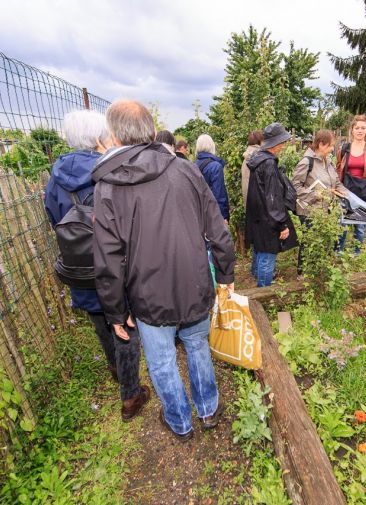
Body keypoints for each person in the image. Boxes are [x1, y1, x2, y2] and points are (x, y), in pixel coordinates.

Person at [92, 100, 235, 441]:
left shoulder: (107, 186)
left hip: (148, 294)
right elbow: (217, 228)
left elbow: (108, 258)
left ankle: (180, 421)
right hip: (194, 283)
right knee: (197, 346)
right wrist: (226, 275)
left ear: (113, 137)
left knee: (161, 361)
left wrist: (115, 310)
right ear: (153, 132)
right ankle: (208, 409)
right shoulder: (185, 169)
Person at [44, 109, 148, 422]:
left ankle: (116, 369)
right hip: (112, 266)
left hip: (78, 267)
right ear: (98, 136)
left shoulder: (55, 179)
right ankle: (131, 395)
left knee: (98, 317)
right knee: (125, 325)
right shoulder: (108, 171)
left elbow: (53, 219)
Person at [245, 122, 298, 287]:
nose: (283, 146)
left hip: (258, 217)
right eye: (282, 142)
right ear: (275, 143)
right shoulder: (268, 164)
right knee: (267, 256)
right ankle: (263, 292)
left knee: (260, 252)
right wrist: (282, 224)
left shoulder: (258, 159)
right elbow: (272, 198)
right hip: (268, 219)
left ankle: (259, 287)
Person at [292, 129, 347, 275]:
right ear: (321, 144)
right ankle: (302, 272)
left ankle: (316, 271)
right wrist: (316, 194)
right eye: (330, 146)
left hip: (324, 210)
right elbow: (295, 187)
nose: (332, 149)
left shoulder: (328, 162)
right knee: (309, 241)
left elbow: (336, 183)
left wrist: (347, 194)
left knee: (321, 241)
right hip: (309, 210)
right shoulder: (306, 162)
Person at [337, 115, 366, 255]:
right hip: (346, 191)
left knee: (360, 226)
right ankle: (339, 252)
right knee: (342, 223)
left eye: (363, 128)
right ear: (352, 130)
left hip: (363, 191)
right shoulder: (344, 148)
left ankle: (356, 253)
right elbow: (338, 171)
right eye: (357, 128)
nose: (360, 131)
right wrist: (336, 191)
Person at [195, 134, 230, 223]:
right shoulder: (215, 166)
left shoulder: (193, 166)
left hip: (198, 214)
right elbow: (219, 193)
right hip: (213, 214)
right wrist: (223, 216)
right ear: (212, 146)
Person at [241, 130, 264, 207]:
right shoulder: (260, 157)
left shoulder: (246, 158)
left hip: (249, 203)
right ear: (260, 141)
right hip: (260, 204)